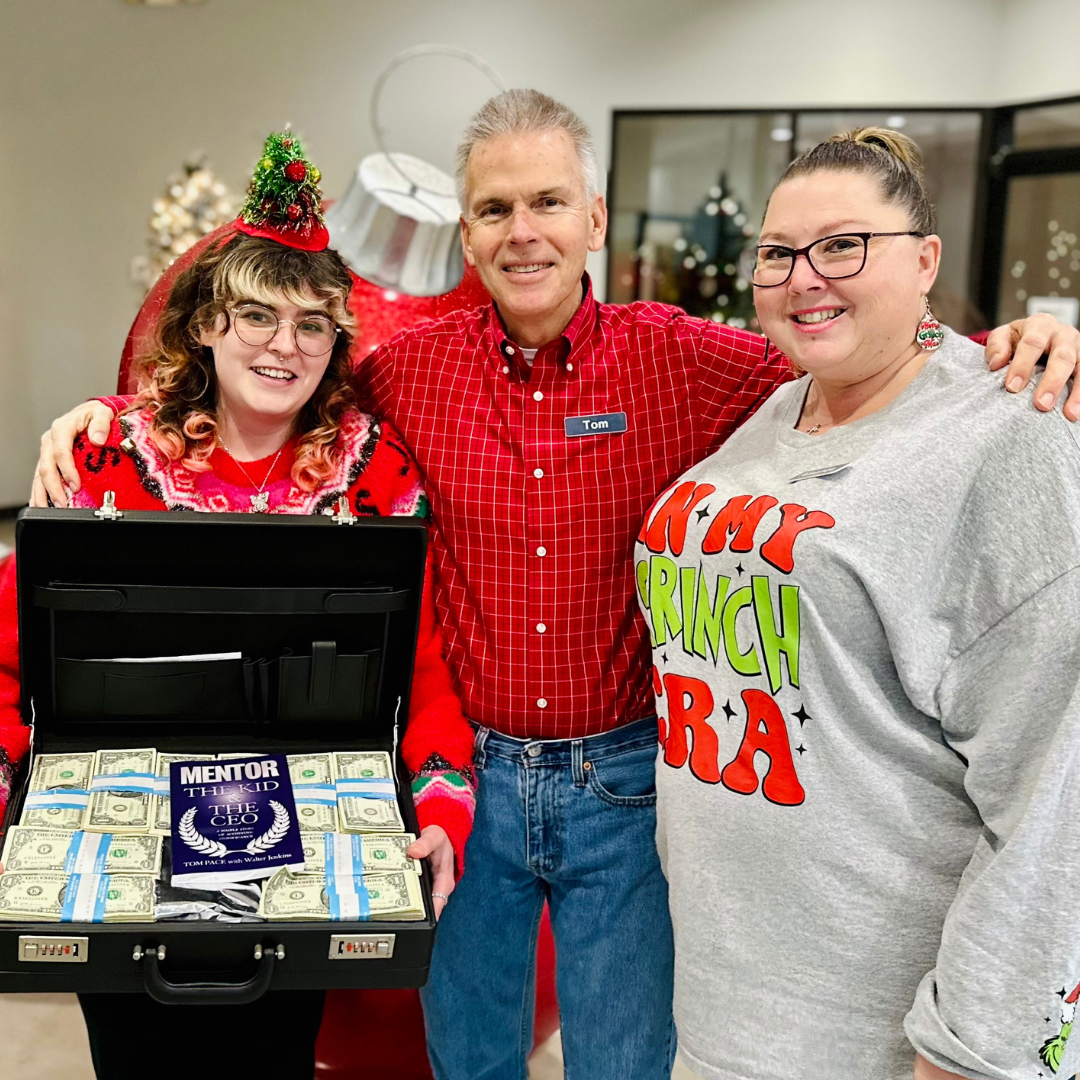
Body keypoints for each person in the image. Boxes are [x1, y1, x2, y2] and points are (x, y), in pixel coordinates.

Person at [32, 93, 1080, 1080]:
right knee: (471, 1055)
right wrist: (92, 423)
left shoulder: (691, 361)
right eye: (494, 208)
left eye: (546, 203)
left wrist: (1005, 355)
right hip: (471, 780)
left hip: (624, 783)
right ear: (468, 232)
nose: (522, 230)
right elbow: (267, 384)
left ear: (591, 217)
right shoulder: (410, 371)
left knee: (622, 1058)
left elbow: (862, 358)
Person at [0, 133, 476, 1080]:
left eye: (311, 325)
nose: (283, 345)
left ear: (337, 339)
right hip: (117, 839)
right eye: (256, 316)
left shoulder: (375, 476)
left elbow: (422, 669)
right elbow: (13, 656)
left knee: (271, 1061)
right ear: (206, 325)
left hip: (298, 843)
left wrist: (439, 806)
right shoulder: (102, 458)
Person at [635, 127, 1080, 1080]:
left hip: (881, 1034)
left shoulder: (1013, 435)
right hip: (725, 1001)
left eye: (843, 245)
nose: (806, 277)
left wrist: (974, 1049)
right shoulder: (780, 405)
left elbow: (1057, 792)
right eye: (779, 253)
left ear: (925, 260)